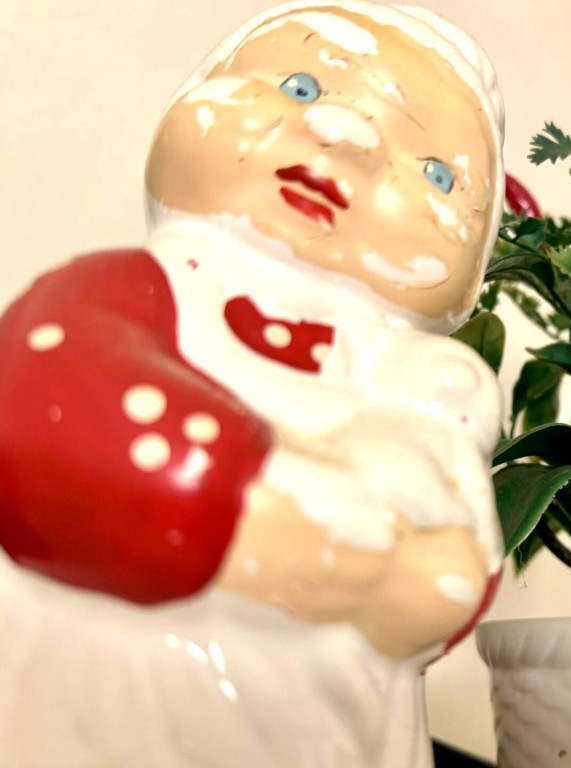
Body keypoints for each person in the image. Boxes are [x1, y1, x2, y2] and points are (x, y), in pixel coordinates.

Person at [0, 2, 505, 765]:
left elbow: (448, 582)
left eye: (437, 174)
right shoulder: (129, 290)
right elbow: (50, 414)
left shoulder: (415, 392)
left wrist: (430, 576)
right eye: (300, 86)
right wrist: (270, 517)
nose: (349, 134)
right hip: (94, 710)